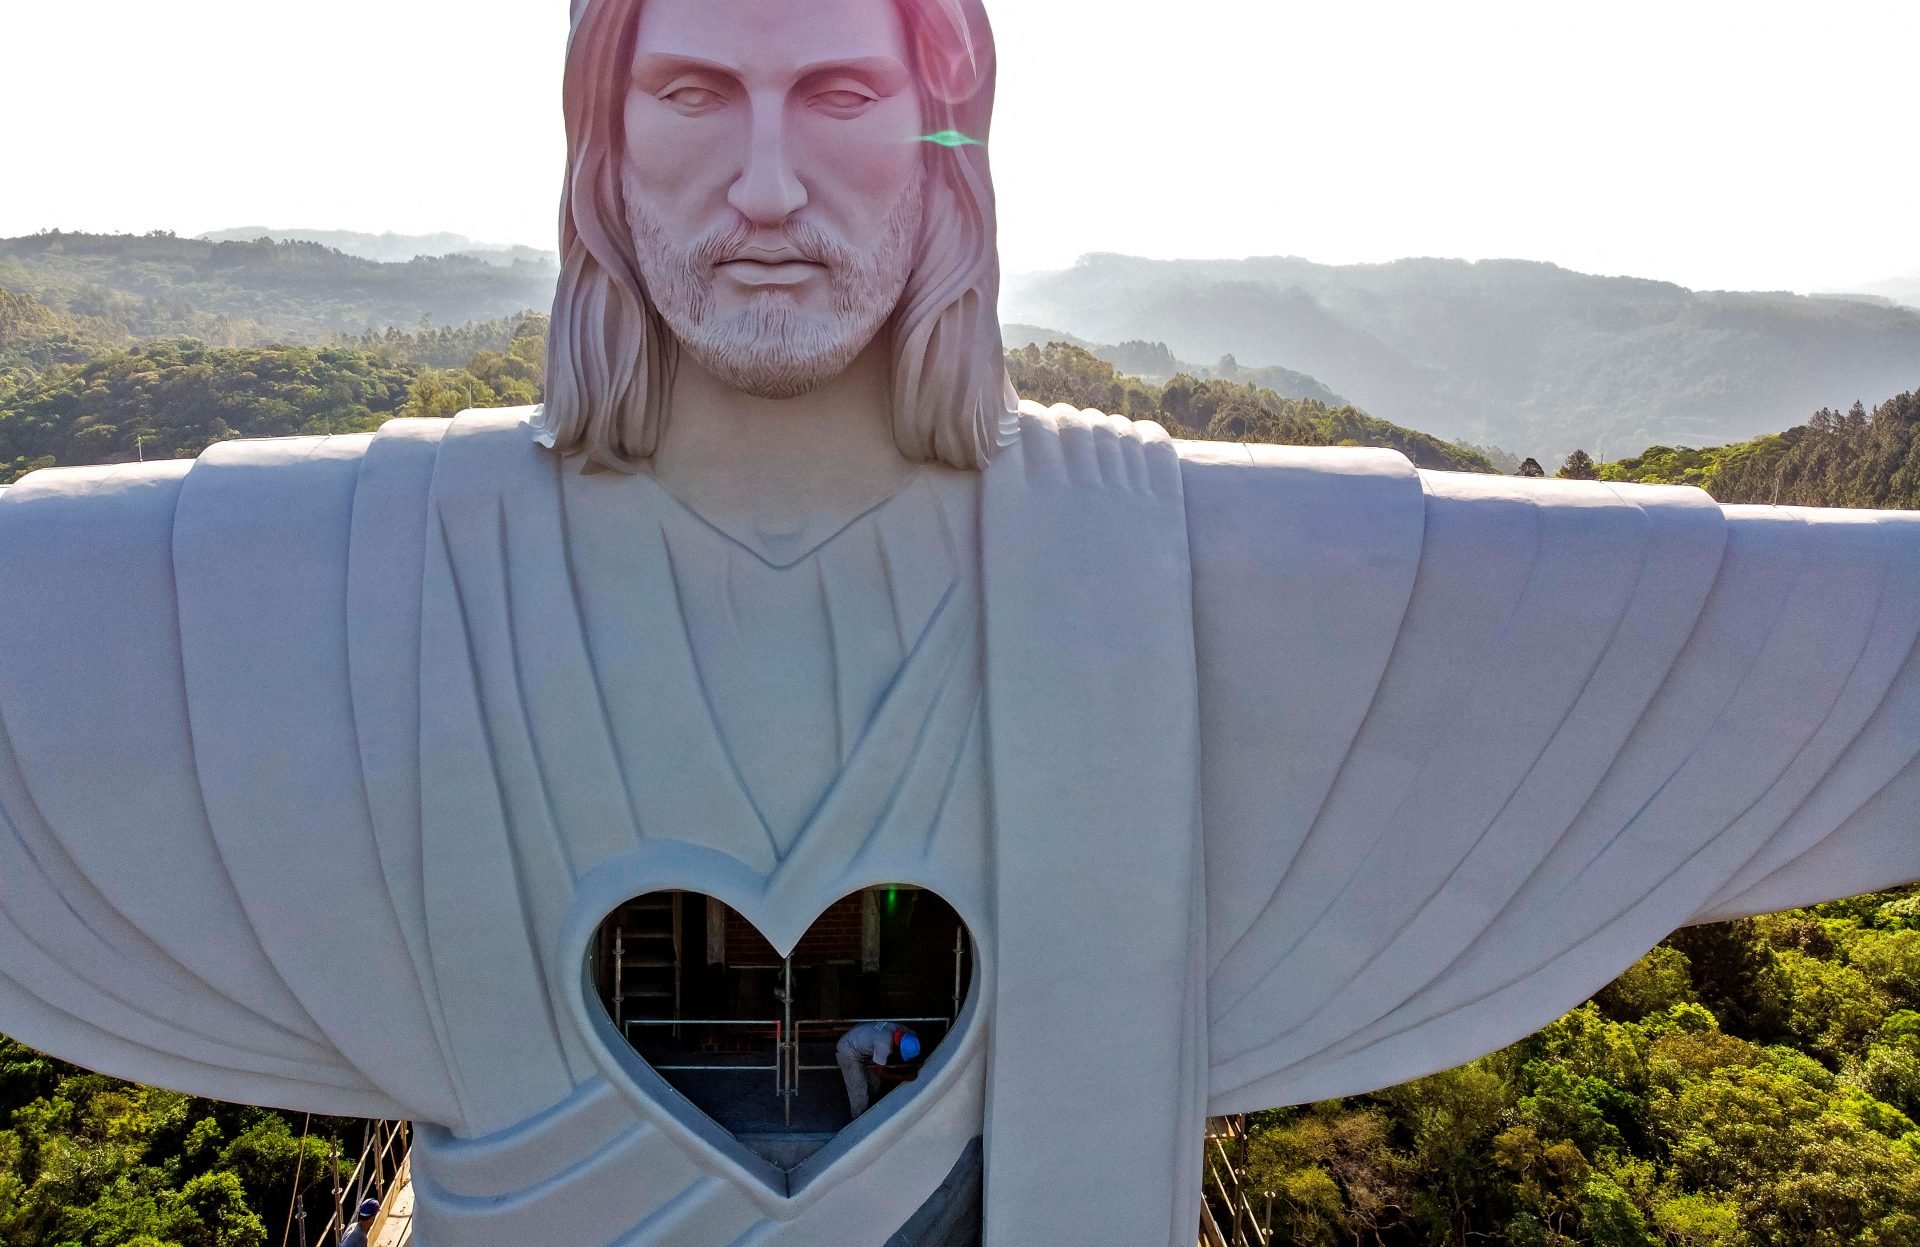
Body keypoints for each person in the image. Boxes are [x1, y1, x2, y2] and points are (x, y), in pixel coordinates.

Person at [835, 1021, 922, 1117]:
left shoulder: (904, 1031)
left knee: (874, 1082)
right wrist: (904, 1077)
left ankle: (871, 1109)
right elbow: (879, 1072)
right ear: (898, 1047)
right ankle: (859, 1120)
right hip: (847, 1050)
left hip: (862, 1042)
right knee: (859, 1088)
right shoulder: (884, 1045)